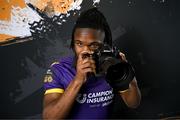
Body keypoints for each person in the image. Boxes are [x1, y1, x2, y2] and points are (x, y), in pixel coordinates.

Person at [42, 8, 141, 119]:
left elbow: (133, 103)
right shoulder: (59, 69)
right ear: (73, 43)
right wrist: (77, 81)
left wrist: (127, 72)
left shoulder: (111, 66)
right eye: (79, 44)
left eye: (93, 45)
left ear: (105, 44)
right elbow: (49, 118)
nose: (85, 51)